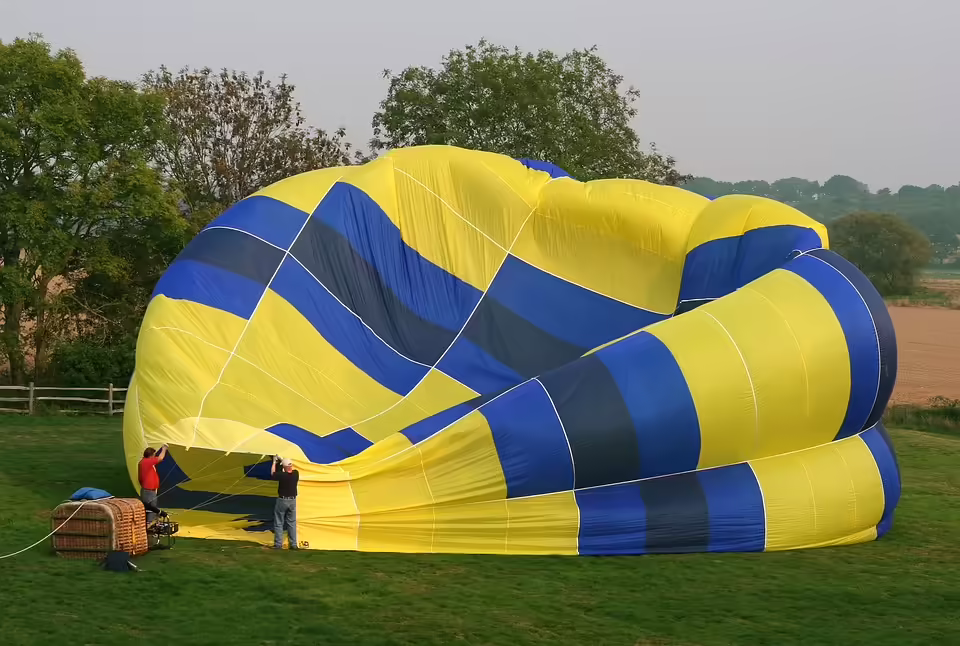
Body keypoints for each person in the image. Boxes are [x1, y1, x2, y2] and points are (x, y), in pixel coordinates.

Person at [270, 455, 299, 550]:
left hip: (282, 500)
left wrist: (274, 462)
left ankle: (278, 544)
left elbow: (273, 473)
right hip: (293, 501)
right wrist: (283, 461)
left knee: (279, 522)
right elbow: (288, 469)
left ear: (284, 467)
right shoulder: (296, 474)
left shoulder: (282, 476)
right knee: (292, 523)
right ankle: (293, 544)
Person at [138, 444, 167, 524]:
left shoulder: (143, 462)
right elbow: (160, 458)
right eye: (154, 455)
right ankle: (149, 524)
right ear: (151, 455)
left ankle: (148, 523)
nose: (155, 457)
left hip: (148, 489)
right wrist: (164, 449)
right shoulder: (147, 462)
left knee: (149, 507)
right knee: (151, 508)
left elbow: (140, 478)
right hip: (149, 490)